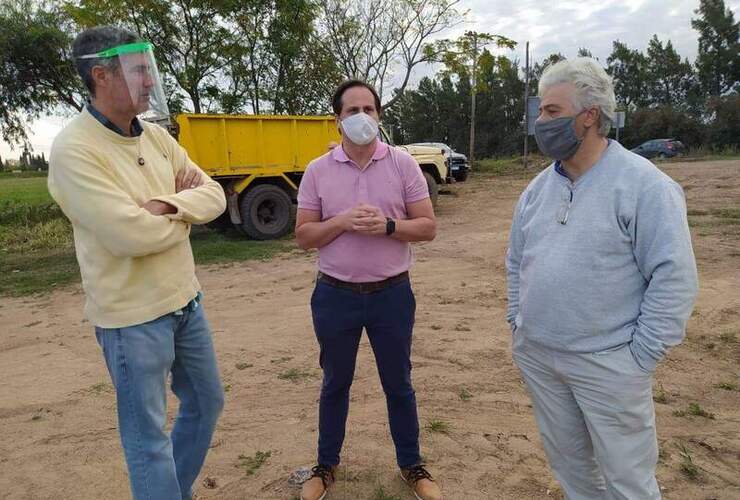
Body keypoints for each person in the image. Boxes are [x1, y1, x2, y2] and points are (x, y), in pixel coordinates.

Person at [505, 57, 699, 500]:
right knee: (572, 469)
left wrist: (638, 358)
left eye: (552, 111)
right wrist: (518, 323)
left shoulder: (644, 185)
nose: (541, 122)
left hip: (609, 364)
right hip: (540, 357)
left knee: (628, 480)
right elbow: (516, 261)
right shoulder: (536, 190)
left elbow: (674, 277)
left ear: (588, 115)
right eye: (541, 111)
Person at [48, 26, 227, 500]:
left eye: (149, 69)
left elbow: (214, 196)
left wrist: (167, 207)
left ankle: (173, 491)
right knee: (147, 439)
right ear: (102, 75)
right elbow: (128, 234)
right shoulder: (75, 150)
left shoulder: (154, 137)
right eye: (139, 70)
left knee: (207, 403)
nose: (150, 81)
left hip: (186, 301)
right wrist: (185, 205)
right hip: (131, 320)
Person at [295, 80, 442, 500]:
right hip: (335, 296)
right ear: (338, 119)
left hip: (392, 295)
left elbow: (428, 227)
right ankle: (325, 465)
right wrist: (340, 222)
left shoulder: (403, 164)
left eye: (370, 109)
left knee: (399, 382)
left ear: (379, 115)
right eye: (353, 110)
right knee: (334, 383)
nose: (363, 117)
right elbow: (303, 236)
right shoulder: (318, 170)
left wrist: (389, 227)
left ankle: (412, 466)